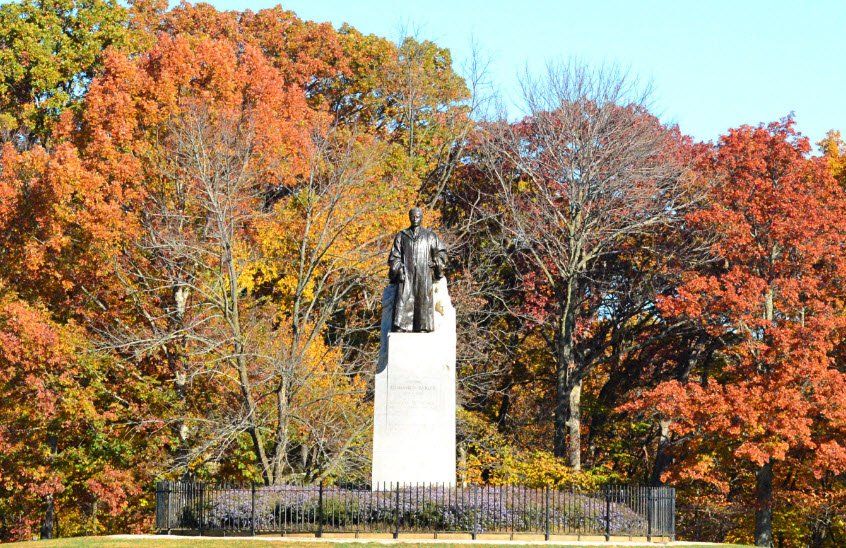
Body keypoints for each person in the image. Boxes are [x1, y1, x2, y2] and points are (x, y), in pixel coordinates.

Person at [388, 207, 447, 332]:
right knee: (403, 299)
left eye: (418, 216)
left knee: (423, 299)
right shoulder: (402, 236)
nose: (415, 219)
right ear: (409, 217)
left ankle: (423, 326)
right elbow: (394, 256)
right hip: (407, 275)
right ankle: (402, 325)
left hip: (424, 274)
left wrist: (436, 262)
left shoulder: (430, 236)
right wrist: (399, 269)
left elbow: (441, 253)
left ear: (422, 218)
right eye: (413, 216)